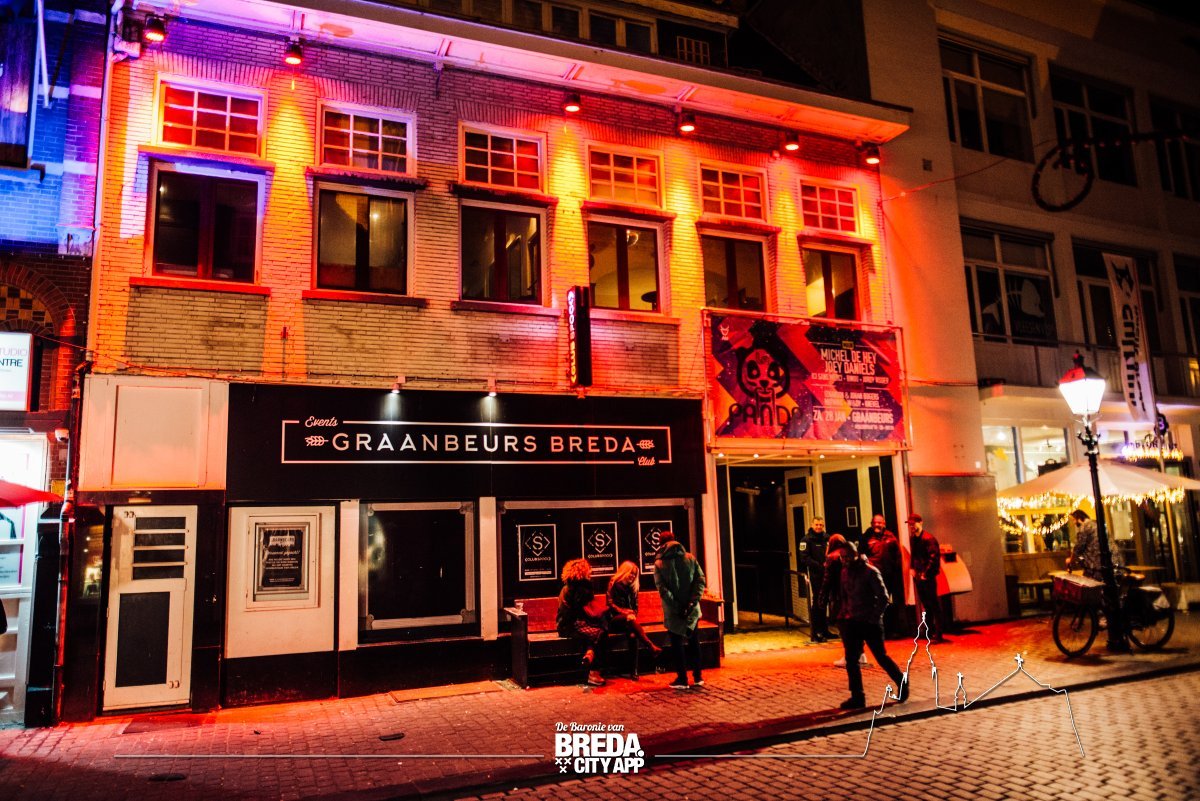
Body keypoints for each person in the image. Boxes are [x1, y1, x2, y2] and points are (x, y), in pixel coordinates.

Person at [820, 535, 908, 710]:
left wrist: (873, 617)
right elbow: (844, 595)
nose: (844, 561)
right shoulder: (844, 572)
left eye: (847, 557)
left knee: (881, 657)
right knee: (852, 660)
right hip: (851, 621)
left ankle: (901, 681)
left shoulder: (870, 571)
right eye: (842, 558)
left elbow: (883, 598)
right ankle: (857, 696)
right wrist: (843, 615)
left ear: (855, 555)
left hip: (869, 622)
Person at [653, 530, 707, 690]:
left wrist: (677, 607)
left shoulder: (659, 564)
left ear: (661, 544)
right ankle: (698, 677)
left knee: (677, 645)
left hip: (674, 612)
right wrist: (691, 603)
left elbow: (663, 590)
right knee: (694, 642)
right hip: (692, 611)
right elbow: (700, 580)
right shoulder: (690, 558)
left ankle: (682, 679)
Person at [556, 558, 609, 687]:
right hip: (573, 625)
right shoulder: (582, 589)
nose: (591, 571)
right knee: (601, 633)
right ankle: (594, 672)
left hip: (564, 625)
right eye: (588, 569)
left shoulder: (567, 587)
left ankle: (590, 653)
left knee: (594, 635)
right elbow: (583, 610)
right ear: (583, 571)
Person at [606, 561, 663, 664]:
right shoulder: (613, 584)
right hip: (614, 619)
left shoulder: (633, 588)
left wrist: (633, 614)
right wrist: (626, 614)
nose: (632, 576)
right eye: (631, 573)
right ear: (624, 572)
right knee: (631, 623)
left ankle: (634, 670)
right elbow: (610, 603)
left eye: (634, 574)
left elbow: (636, 607)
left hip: (629, 622)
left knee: (633, 635)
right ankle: (650, 646)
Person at [861, 515, 903, 637]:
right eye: (875, 522)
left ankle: (890, 630)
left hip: (889, 576)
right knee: (875, 603)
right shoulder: (866, 537)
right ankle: (876, 631)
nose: (877, 525)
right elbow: (861, 555)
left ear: (884, 524)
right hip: (873, 577)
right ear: (871, 524)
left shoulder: (891, 537)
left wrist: (896, 572)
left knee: (886, 602)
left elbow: (898, 556)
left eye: (879, 522)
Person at [907, 514, 945, 643]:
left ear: (920, 522)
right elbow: (914, 555)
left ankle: (938, 633)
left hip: (926, 576)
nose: (912, 526)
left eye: (913, 524)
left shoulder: (929, 539)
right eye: (910, 524)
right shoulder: (914, 538)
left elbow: (934, 558)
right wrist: (912, 568)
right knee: (927, 604)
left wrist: (926, 573)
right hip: (920, 575)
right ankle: (930, 631)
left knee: (933, 604)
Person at [799, 516, 833, 642]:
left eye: (821, 525)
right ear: (812, 525)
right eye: (817, 524)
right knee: (818, 602)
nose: (819, 527)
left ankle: (825, 630)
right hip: (816, 575)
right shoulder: (806, 540)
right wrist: (819, 566)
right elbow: (804, 558)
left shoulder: (828, 538)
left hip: (828, 575)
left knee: (825, 602)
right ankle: (816, 632)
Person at [1069, 508, 1124, 581]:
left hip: (1099, 564)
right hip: (1116, 561)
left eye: (1073, 520)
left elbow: (1078, 548)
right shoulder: (1096, 523)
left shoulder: (1084, 527)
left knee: (1092, 584)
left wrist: (1070, 560)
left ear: (1078, 518)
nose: (1073, 523)